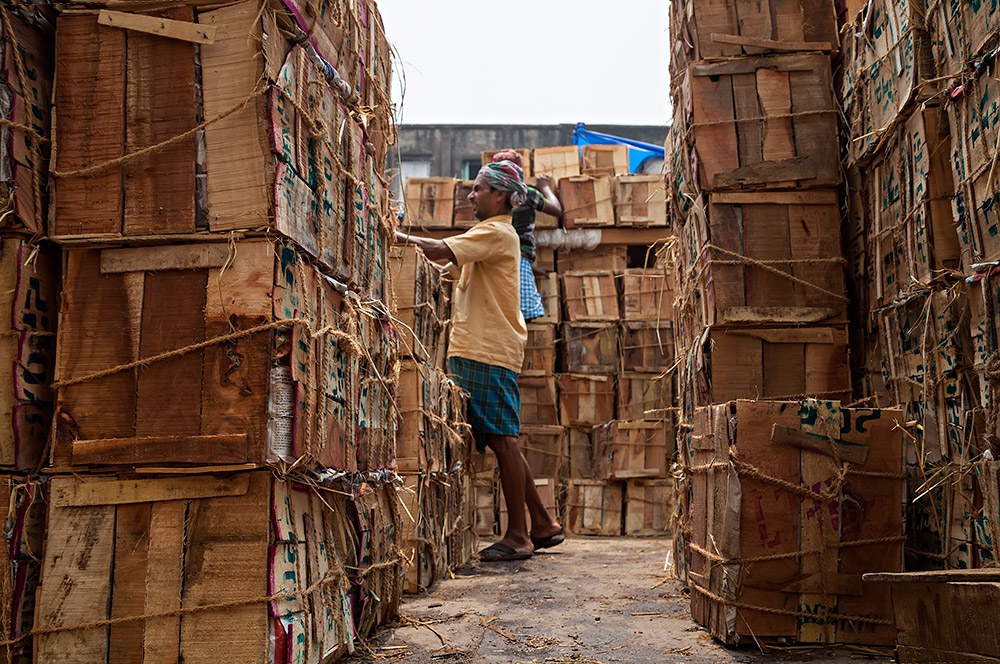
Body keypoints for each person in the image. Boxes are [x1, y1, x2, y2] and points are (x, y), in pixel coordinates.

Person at [395, 160, 564, 562]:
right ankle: (542, 524)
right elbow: (441, 264)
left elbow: (438, 247)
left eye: (479, 189)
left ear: (501, 196)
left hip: (485, 349)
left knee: (504, 441)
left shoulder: (496, 232)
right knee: (503, 439)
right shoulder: (487, 237)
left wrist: (392, 234)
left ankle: (519, 536)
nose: (471, 196)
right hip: (482, 348)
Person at [490, 150, 563, 321]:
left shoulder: (490, 196)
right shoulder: (525, 194)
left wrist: (531, 270)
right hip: (519, 256)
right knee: (524, 311)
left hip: (496, 256)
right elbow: (556, 210)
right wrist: (545, 187)